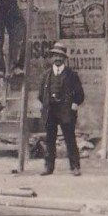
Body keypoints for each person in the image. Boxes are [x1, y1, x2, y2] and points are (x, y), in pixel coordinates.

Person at [38, 43, 85, 176]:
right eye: (55, 56)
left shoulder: (72, 75)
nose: (57, 58)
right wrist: (47, 104)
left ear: (64, 58)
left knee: (70, 139)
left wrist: (74, 104)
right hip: (51, 111)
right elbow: (41, 95)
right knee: (50, 140)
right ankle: (48, 167)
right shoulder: (46, 75)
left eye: (60, 56)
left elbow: (80, 94)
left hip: (66, 111)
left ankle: (75, 167)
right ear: (52, 57)